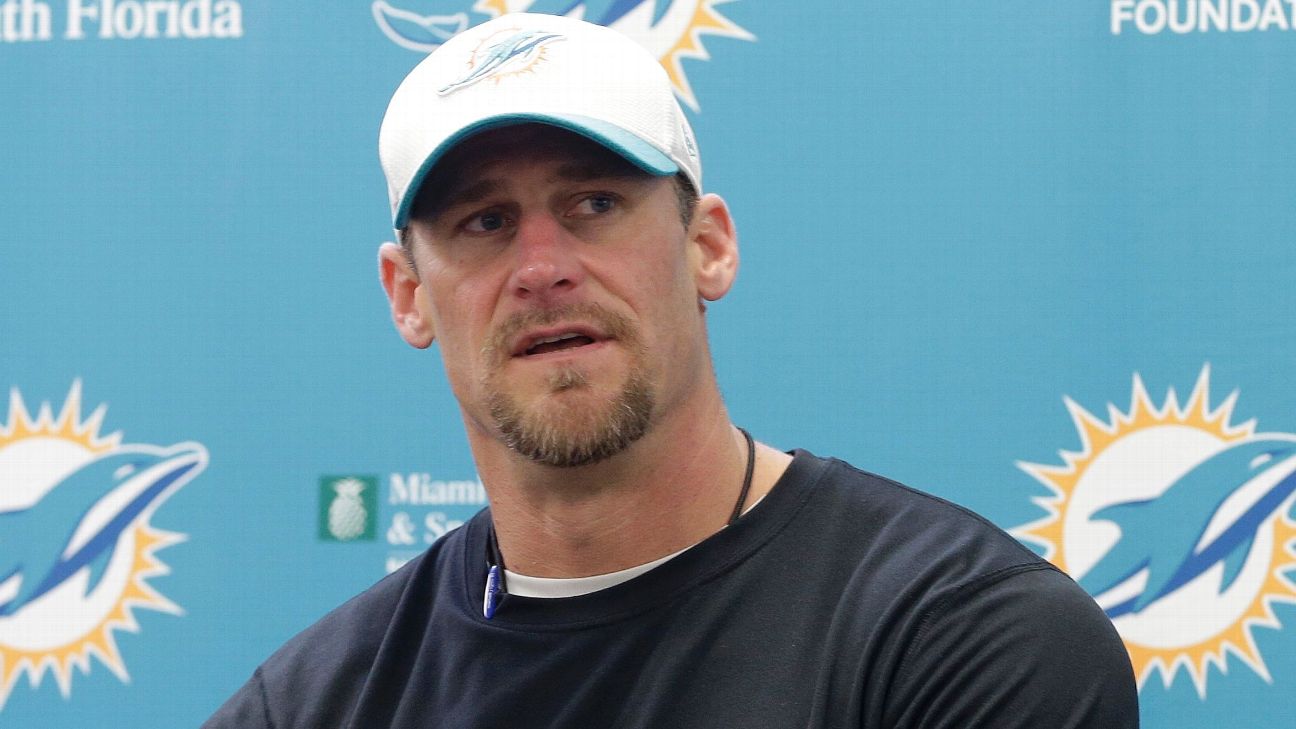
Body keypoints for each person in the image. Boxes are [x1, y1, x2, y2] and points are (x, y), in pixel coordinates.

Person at [205, 12, 1138, 728]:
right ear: (407, 293)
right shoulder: (313, 703)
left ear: (708, 247)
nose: (542, 267)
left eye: (595, 202)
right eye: (483, 223)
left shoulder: (957, 641)